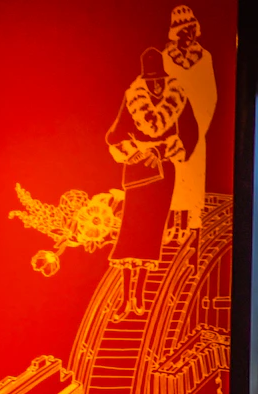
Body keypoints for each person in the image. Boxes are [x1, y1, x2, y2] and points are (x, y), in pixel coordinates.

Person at [106, 47, 197, 315]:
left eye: (158, 81)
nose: (155, 86)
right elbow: (114, 134)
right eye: (151, 82)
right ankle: (125, 296)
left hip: (163, 172)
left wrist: (161, 150)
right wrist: (134, 151)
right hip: (137, 171)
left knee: (150, 234)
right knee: (130, 233)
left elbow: (189, 132)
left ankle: (140, 295)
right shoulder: (132, 97)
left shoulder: (177, 97)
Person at [163, 6, 217, 237]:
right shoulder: (165, 58)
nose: (187, 35)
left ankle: (192, 224)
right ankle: (171, 223)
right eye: (182, 31)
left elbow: (211, 93)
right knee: (172, 177)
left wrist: (200, 123)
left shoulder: (204, 58)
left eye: (190, 30)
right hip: (172, 124)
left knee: (194, 178)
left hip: (197, 125)